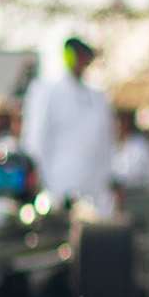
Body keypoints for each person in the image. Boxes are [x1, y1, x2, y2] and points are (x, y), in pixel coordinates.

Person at [21, 35, 117, 209]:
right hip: (56, 188)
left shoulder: (98, 98)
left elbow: (106, 143)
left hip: (94, 191)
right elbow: (36, 139)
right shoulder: (47, 91)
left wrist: (105, 178)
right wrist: (39, 180)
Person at [110, 109, 149, 199]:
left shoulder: (141, 145)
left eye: (119, 121)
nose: (116, 126)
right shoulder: (107, 147)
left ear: (126, 123)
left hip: (140, 198)